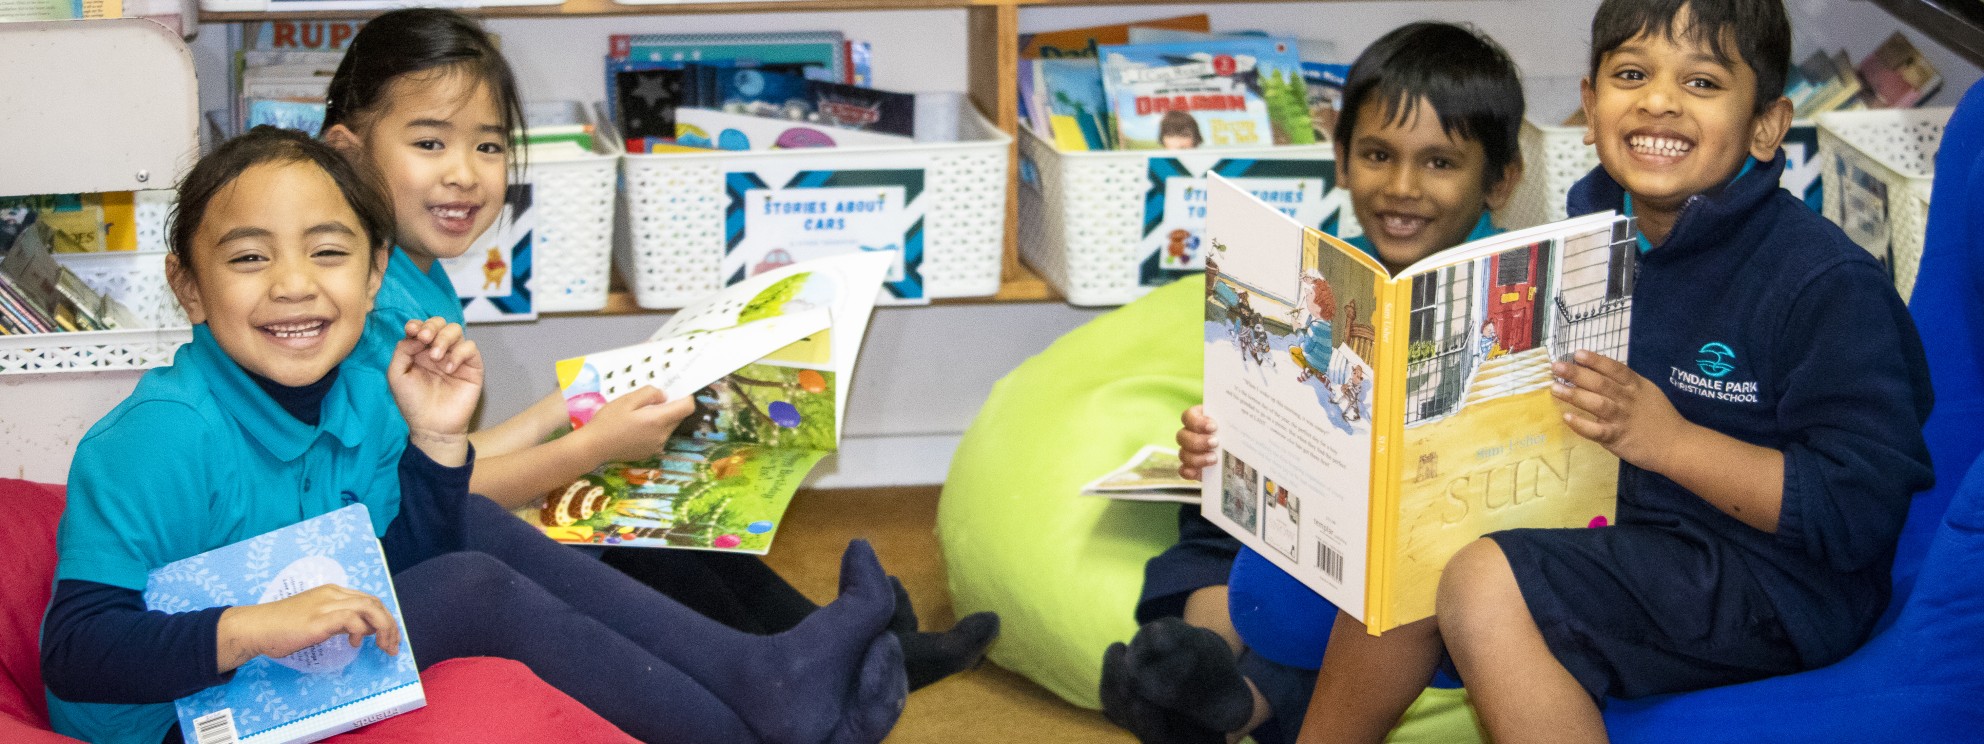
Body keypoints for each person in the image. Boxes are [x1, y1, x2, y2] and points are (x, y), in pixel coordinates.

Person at [40, 127, 912, 744]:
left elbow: (406, 552)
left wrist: (435, 442)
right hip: (178, 719)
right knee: (468, 589)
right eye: (248, 257)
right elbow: (78, 653)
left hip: (272, 671)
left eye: (329, 253)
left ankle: (767, 684)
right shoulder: (158, 438)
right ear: (188, 288)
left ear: (377, 274)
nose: (294, 286)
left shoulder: (362, 391)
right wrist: (251, 628)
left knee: (477, 532)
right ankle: (762, 712)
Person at [1297, 1, 1934, 741]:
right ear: (1591, 104)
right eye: (1632, 74)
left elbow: (1857, 511)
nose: (1659, 99)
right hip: (1625, 526)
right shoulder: (1584, 240)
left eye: (1701, 82)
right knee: (1414, 536)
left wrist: (1668, 441)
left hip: (1778, 585)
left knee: (1482, 582)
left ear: (1766, 125)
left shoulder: (1825, 284)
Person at [317, 9, 995, 687]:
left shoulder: (411, 271)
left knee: (641, 490)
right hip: (400, 568)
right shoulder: (369, 302)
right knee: (617, 514)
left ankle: (834, 641)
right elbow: (435, 498)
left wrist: (569, 405)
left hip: (425, 535)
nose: (465, 174)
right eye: (430, 144)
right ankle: (828, 660)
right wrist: (589, 446)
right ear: (348, 151)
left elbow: (440, 459)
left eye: (489, 147)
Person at [1105, 22, 1527, 744]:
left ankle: (1231, 703)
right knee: (1213, 520)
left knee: (1368, 619)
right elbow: (1271, 389)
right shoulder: (1321, 272)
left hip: (1438, 545)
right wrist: (1220, 442)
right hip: (1315, 507)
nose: (1401, 188)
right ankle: (1195, 662)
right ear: (1341, 158)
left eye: (1439, 163)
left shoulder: (1511, 283)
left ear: (1500, 180)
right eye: (1376, 155)